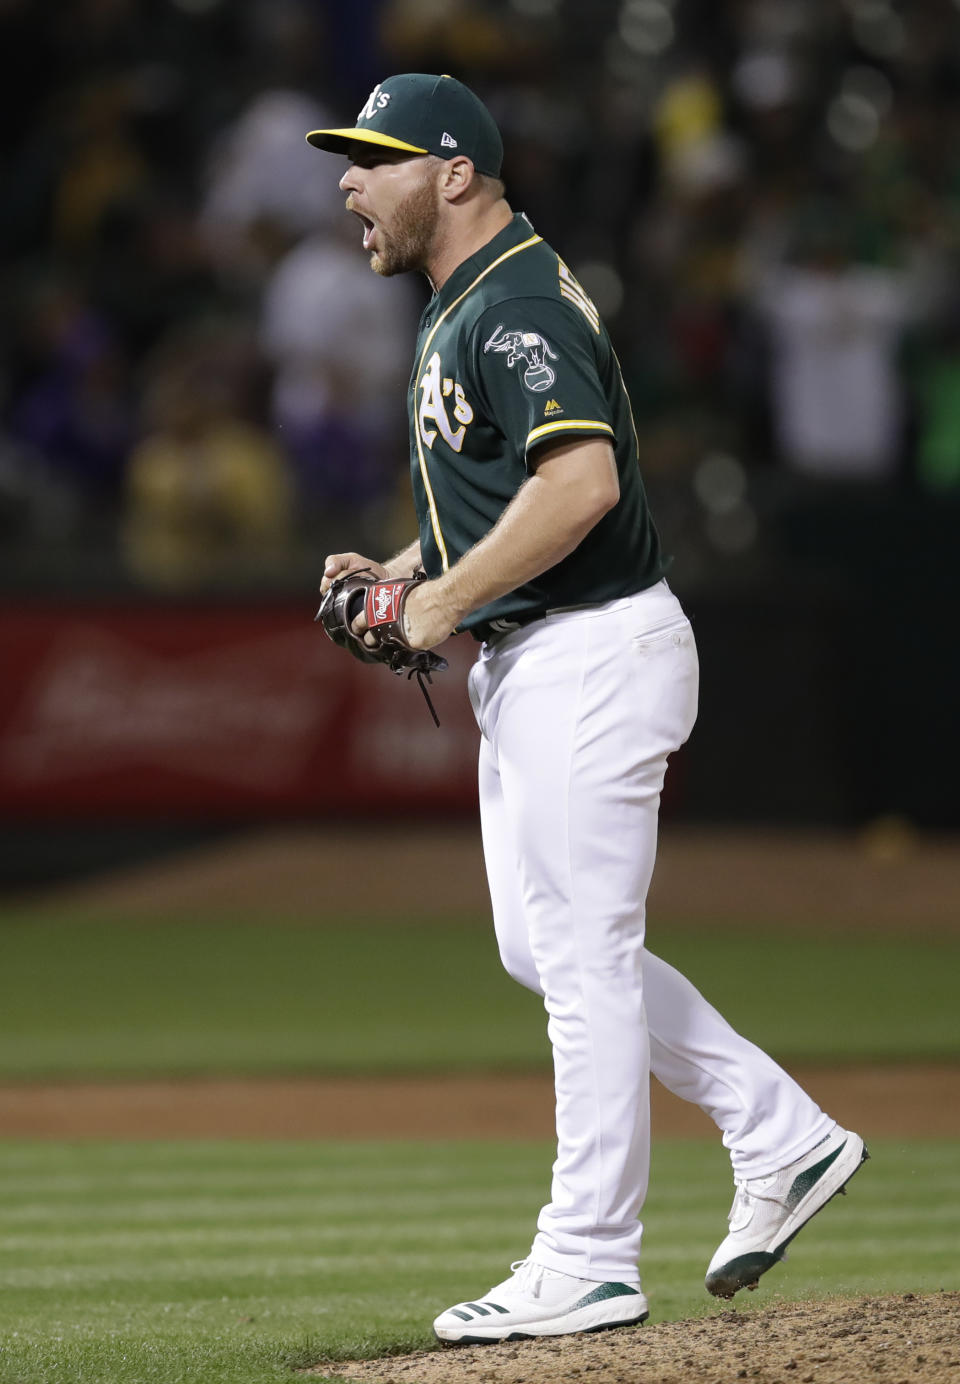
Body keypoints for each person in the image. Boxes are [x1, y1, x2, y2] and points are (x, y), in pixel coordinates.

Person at [308, 73, 867, 1344]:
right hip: (551, 656)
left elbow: (582, 488)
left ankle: (590, 1255)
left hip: (591, 652)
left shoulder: (510, 305)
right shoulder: (481, 295)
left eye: (374, 157)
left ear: (454, 171)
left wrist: (439, 607)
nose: (349, 178)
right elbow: (508, 480)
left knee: (584, 960)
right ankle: (781, 1133)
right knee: (547, 950)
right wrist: (407, 569)